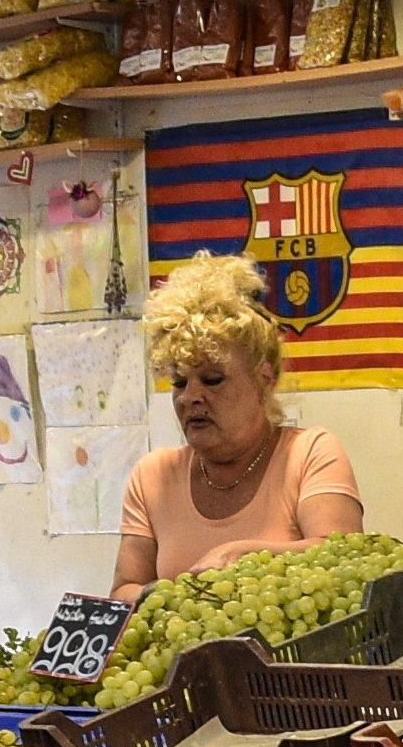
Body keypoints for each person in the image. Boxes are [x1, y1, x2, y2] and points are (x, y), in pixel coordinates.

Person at [112, 255, 363, 602]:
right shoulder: (151, 476)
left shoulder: (310, 454)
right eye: (180, 382)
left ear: (264, 380)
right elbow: (122, 591)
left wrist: (244, 557)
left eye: (213, 379)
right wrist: (170, 596)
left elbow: (345, 560)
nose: (190, 398)